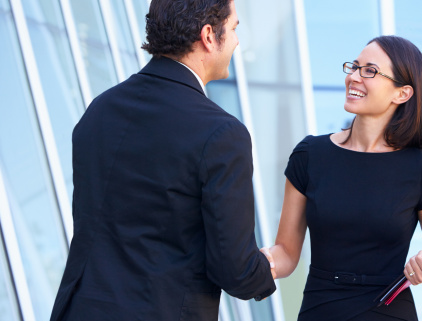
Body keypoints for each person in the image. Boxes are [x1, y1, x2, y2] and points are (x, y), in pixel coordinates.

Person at [49, 1, 276, 320]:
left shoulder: (98, 112)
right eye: (235, 28)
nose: (238, 40)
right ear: (209, 35)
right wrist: (270, 266)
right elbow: (234, 269)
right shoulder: (222, 133)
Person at [260, 35, 422, 320]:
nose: (354, 77)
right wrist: (260, 262)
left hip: (389, 312)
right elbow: (286, 254)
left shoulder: (421, 168)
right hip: (320, 310)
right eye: (354, 67)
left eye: (369, 71)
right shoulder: (310, 155)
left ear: (402, 94)